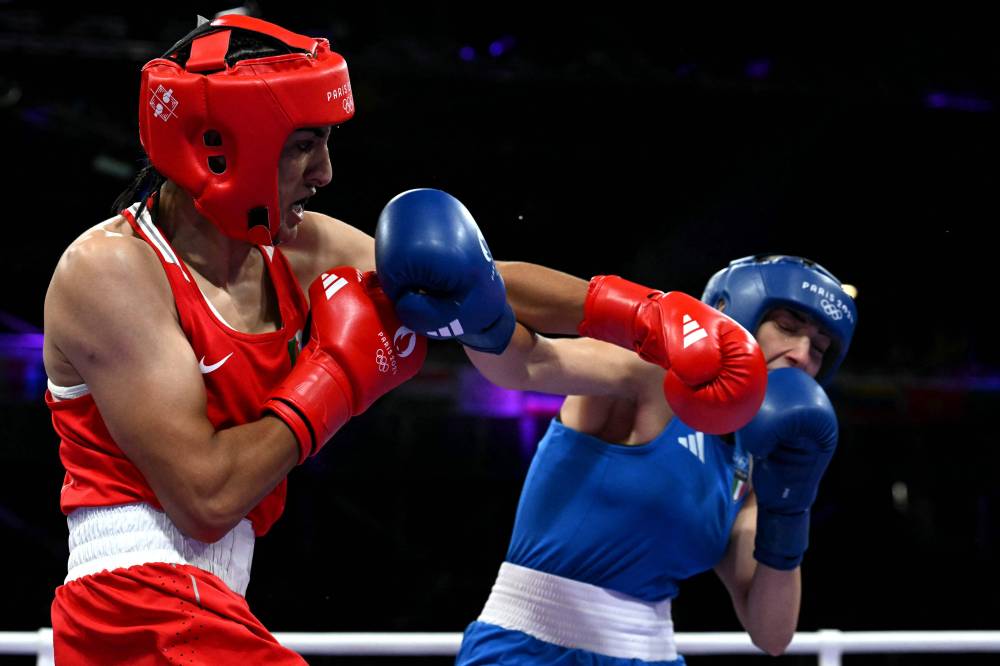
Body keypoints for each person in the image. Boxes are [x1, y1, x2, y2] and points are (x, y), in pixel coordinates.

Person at [42, 15, 426, 664]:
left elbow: (461, 283)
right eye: (304, 144)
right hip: (142, 606)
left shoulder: (297, 250)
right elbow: (207, 497)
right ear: (221, 144)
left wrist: (635, 319)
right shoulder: (110, 269)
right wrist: (336, 375)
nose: (325, 172)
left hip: (201, 606)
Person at [373, 195, 856, 664]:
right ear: (739, 314)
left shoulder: (755, 470)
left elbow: (771, 634)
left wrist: (793, 500)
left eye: (820, 348)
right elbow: (531, 362)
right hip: (530, 646)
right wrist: (470, 300)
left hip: (651, 653)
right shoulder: (651, 375)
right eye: (789, 326)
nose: (802, 356)